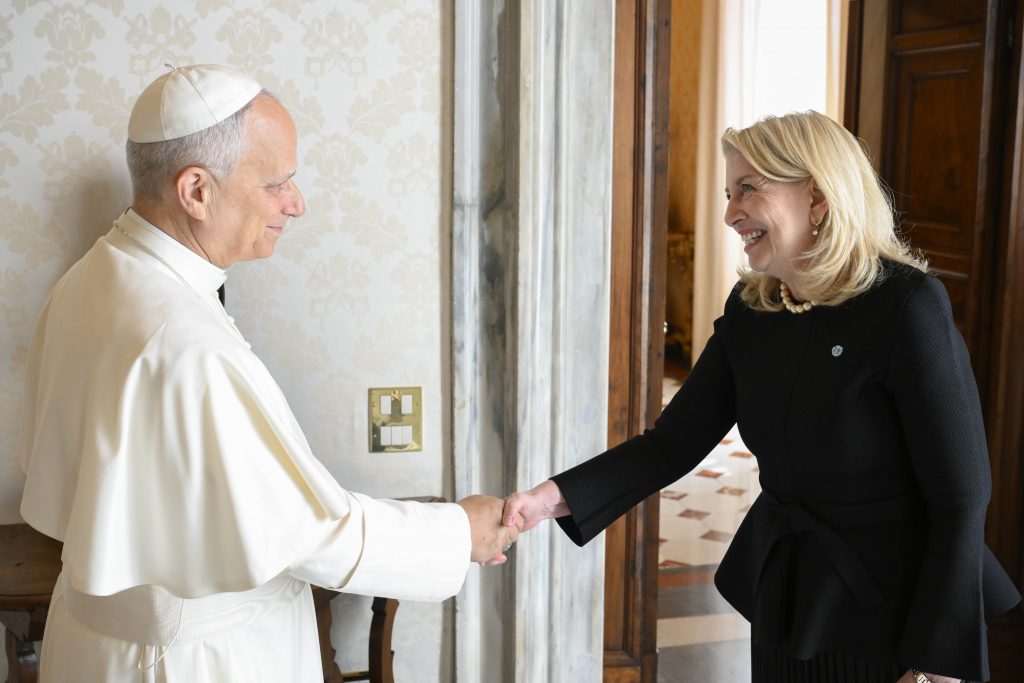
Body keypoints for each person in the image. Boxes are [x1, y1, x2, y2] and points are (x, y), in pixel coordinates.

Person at [17, 64, 517, 682]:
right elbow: (309, 534)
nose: (296, 203)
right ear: (196, 190)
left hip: (94, 645)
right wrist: (458, 532)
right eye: (277, 182)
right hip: (196, 661)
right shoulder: (186, 342)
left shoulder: (94, 275)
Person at [503, 111, 1021, 683]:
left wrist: (936, 666)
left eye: (748, 188)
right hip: (786, 590)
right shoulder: (753, 309)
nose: (730, 213)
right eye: (729, 194)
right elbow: (671, 444)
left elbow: (961, 497)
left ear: (816, 197)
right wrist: (550, 499)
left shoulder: (906, 305)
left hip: (893, 612)